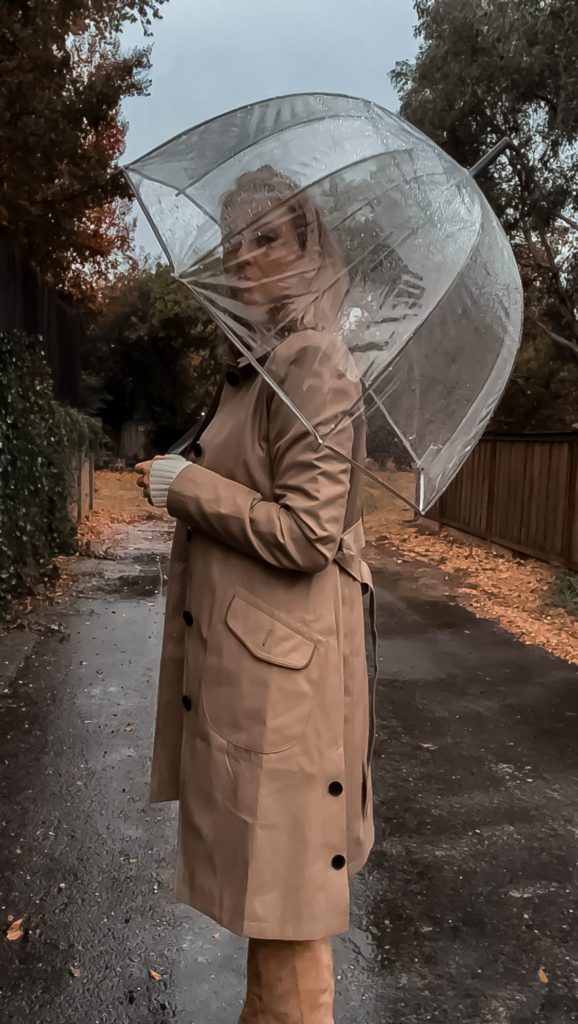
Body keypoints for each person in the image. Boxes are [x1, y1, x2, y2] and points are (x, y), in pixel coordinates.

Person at [135, 166, 375, 1023]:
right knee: (269, 928)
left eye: (269, 235)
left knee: (289, 937)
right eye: (234, 239)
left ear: (311, 249)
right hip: (257, 679)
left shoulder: (313, 360)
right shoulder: (263, 363)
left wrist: (183, 487)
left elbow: (309, 533)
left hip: (287, 693)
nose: (244, 256)